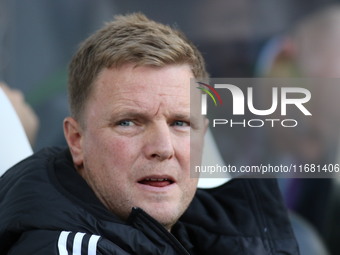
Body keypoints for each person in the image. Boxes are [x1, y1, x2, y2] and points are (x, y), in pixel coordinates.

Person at [0, 13, 299, 254]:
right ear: (77, 141)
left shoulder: (218, 235)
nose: (163, 147)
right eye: (129, 122)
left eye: (181, 123)